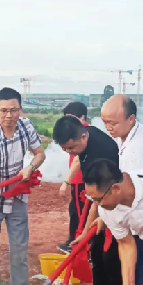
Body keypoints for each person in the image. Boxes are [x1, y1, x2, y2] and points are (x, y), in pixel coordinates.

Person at [53, 115, 126, 285]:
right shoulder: (85, 137)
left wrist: (85, 231)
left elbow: (101, 199)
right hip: (100, 201)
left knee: (112, 259)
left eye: (71, 148)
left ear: (83, 136)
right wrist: (87, 233)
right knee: (97, 257)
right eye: (65, 149)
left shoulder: (101, 154)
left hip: (115, 205)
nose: (70, 153)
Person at [0, 87, 45, 285]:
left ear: (20, 109)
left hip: (17, 196)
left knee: (19, 249)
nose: (9, 116)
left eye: (13, 110)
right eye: (3, 110)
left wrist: (30, 167)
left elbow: (40, 153)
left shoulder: (25, 126)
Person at [57, 101, 88, 254]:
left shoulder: (82, 134)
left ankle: (75, 244)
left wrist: (65, 182)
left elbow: (77, 161)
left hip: (80, 180)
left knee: (79, 212)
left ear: (82, 117)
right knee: (76, 210)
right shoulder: (82, 132)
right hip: (81, 180)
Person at [100, 95, 143, 171]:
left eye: (113, 123)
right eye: (105, 122)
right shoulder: (140, 129)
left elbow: (129, 182)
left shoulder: (135, 154)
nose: (108, 127)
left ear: (131, 119)